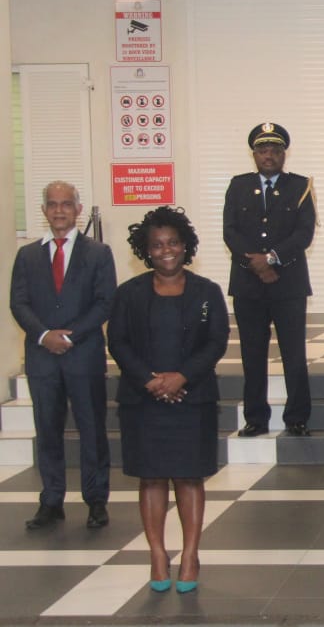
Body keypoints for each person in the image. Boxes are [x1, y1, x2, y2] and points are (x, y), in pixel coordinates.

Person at [108, 207, 230, 593]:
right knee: (152, 477)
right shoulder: (128, 293)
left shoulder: (207, 291)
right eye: (158, 245)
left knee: (190, 476)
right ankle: (158, 555)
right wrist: (149, 380)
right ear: (146, 250)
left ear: (185, 245)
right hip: (142, 399)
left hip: (192, 398)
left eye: (173, 242)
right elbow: (118, 342)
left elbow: (217, 341)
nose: (166, 251)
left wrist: (181, 377)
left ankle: (191, 555)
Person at [10, 181, 116, 530]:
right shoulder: (27, 255)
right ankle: (51, 501)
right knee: (47, 430)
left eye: (66, 204)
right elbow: (18, 303)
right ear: (44, 210)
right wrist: (44, 336)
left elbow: (105, 302)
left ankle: (96, 501)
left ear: (78, 209)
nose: (59, 210)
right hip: (42, 358)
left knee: (92, 430)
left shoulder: (98, 253)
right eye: (53, 204)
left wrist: (70, 336)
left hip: (83, 354)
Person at [223, 122, 316, 437]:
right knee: (252, 354)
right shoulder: (238, 186)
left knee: (293, 354)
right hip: (248, 285)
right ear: (254, 155)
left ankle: (297, 417)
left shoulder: (300, 186)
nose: (269, 155)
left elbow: (304, 233)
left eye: (275, 150)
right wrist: (257, 264)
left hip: (288, 284)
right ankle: (256, 418)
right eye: (263, 150)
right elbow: (230, 232)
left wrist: (272, 258)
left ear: (284, 154)